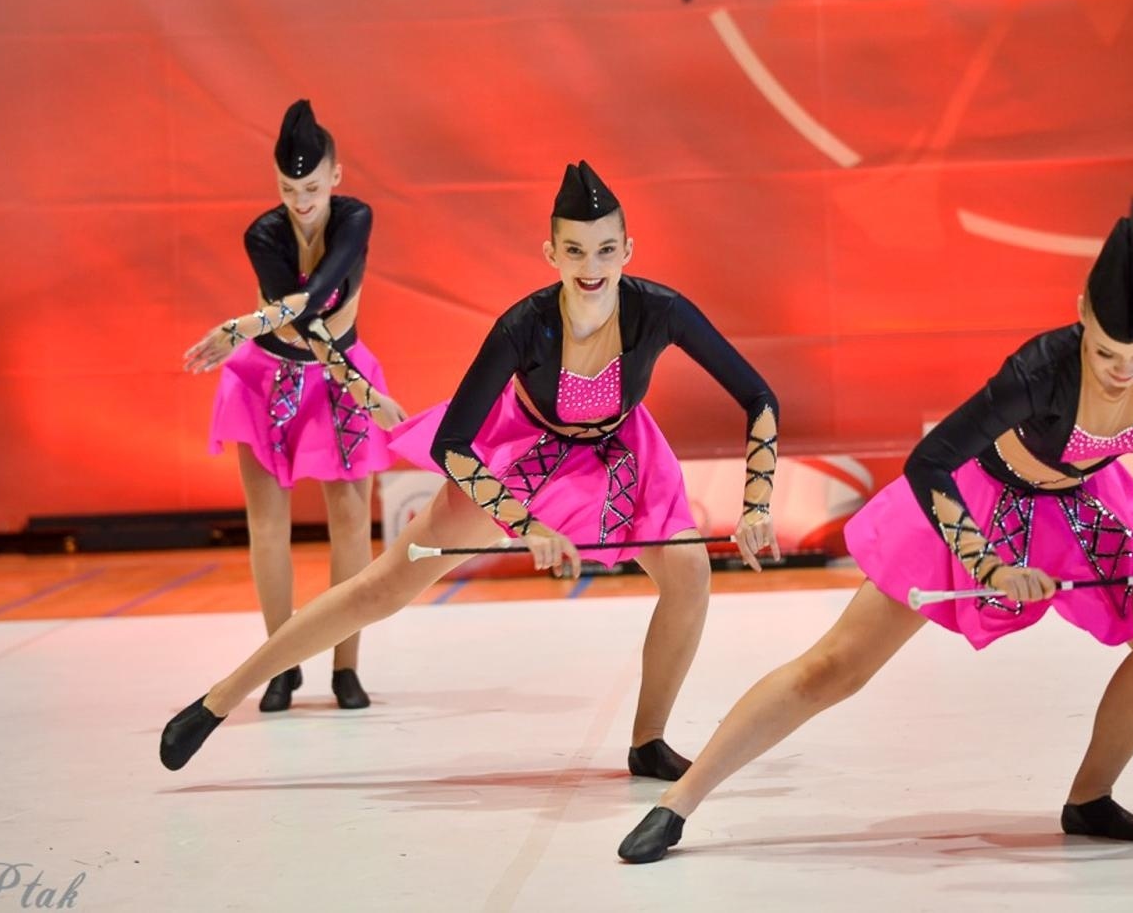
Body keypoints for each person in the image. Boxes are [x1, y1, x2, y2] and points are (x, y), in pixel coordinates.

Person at [617, 217, 1133, 862]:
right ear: (1081, 315)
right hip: (977, 498)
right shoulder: (1041, 369)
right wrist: (990, 562)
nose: (1125, 369)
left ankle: (1090, 797)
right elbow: (930, 462)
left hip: (1087, 503)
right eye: (1107, 351)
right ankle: (679, 804)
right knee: (837, 665)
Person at [162, 160, 781, 779]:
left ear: (627, 250)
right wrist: (529, 524)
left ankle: (648, 742)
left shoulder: (661, 310)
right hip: (518, 457)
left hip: (624, 459)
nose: (591, 267)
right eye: (575, 251)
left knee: (690, 574)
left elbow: (759, 399)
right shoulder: (522, 324)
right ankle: (219, 698)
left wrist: (756, 506)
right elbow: (454, 444)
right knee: (383, 587)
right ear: (551, 253)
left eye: (605, 250)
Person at [182, 99, 406, 713]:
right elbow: (304, 320)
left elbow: (313, 297)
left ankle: (346, 664)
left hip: (339, 377)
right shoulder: (264, 234)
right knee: (268, 525)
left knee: (351, 519)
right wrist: (362, 391)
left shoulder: (355, 218)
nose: (301, 200)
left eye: (311, 185)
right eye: (288, 187)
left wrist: (240, 323)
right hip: (267, 379)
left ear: (335, 176)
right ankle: (279, 663)